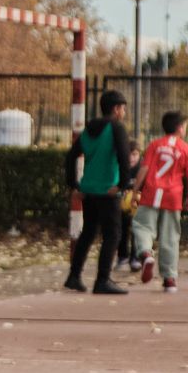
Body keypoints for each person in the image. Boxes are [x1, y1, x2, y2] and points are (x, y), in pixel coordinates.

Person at [63, 89, 135, 296]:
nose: (124, 112)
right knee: (113, 234)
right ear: (116, 109)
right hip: (108, 190)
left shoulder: (89, 130)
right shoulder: (116, 128)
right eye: (123, 108)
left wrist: (74, 185)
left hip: (88, 189)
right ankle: (103, 279)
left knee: (88, 232)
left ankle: (74, 276)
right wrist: (122, 184)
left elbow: (71, 156)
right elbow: (124, 157)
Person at [134, 110, 188, 292]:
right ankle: (169, 279)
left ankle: (146, 252)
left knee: (142, 225)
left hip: (151, 192)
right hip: (173, 195)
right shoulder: (186, 149)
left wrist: (135, 190)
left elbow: (144, 169)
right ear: (179, 128)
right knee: (170, 236)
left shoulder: (154, 145)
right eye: (184, 126)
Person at [117, 143, 143, 271]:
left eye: (134, 154)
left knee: (137, 230)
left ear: (139, 155)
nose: (131, 158)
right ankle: (122, 257)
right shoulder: (119, 167)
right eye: (128, 154)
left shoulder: (142, 168)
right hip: (121, 205)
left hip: (138, 205)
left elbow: (147, 186)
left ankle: (135, 258)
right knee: (121, 229)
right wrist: (122, 194)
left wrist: (138, 195)